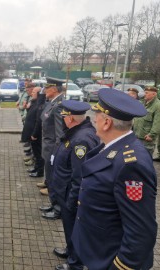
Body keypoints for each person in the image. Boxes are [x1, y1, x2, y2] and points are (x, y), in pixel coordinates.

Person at [72, 88, 158, 270]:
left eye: (97, 115)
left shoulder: (131, 164)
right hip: (96, 249)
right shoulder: (111, 148)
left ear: (106, 123)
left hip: (108, 258)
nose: (94, 119)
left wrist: (121, 266)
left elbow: (141, 230)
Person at [50, 100, 99, 270]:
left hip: (71, 195)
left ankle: (75, 263)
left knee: (75, 230)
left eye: (64, 116)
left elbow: (80, 176)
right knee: (70, 228)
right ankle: (71, 251)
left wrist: (72, 201)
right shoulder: (75, 133)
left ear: (70, 119)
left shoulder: (81, 140)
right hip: (65, 192)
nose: (62, 119)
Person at [39, 83, 64, 218]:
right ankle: (53, 203)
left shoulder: (59, 105)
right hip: (48, 146)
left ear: (54, 89)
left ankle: (57, 209)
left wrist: (57, 152)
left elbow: (59, 133)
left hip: (52, 149)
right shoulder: (53, 102)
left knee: (53, 179)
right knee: (49, 178)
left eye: (47, 89)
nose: (44, 91)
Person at [133, 86, 160, 155]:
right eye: (145, 92)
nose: (145, 94)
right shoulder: (143, 103)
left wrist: (152, 135)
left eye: (147, 93)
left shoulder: (158, 106)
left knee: (146, 158)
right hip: (137, 135)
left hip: (146, 138)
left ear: (154, 94)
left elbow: (158, 123)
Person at [21, 86, 45, 177]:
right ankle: (36, 167)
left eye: (34, 92)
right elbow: (31, 114)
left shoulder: (40, 104)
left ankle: (39, 171)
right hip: (31, 132)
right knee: (35, 152)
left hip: (36, 134)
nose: (31, 93)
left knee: (38, 153)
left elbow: (38, 121)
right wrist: (27, 108)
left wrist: (34, 134)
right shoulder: (35, 102)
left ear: (39, 94)